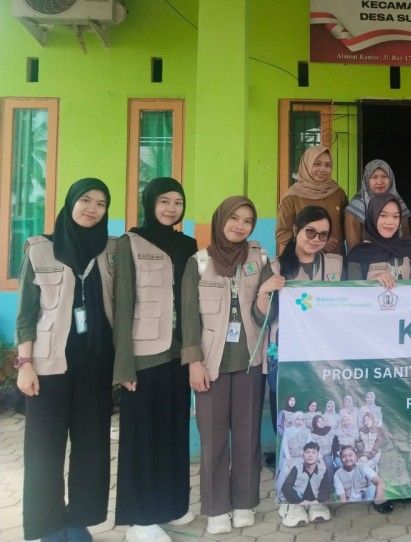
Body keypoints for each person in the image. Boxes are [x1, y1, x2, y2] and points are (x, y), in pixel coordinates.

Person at [16, 179, 117, 542]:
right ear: (71, 202)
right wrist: (24, 363)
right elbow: (26, 313)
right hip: (48, 366)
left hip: (96, 365)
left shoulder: (111, 250)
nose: (92, 209)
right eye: (85, 200)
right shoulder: (40, 249)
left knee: (92, 447)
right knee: (44, 449)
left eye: (101, 204)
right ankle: (49, 526)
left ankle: (78, 521)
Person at [180, 196, 285, 534]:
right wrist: (194, 362)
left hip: (250, 362)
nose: (240, 226)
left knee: (247, 435)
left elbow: (267, 315)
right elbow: (189, 319)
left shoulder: (260, 259)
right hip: (211, 365)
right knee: (213, 441)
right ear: (220, 219)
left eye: (248, 221)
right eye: (234, 218)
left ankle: (244, 502)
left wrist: (264, 293)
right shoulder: (198, 263)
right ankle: (215, 508)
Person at [113, 178, 199, 542]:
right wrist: (123, 364)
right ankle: (139, 520)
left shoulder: (188, 245)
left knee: (173, 432)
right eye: (164, 201)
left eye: (177, 202)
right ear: (149, 203)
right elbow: (121, 305)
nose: (170, 208)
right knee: (142, 436)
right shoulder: (130, 243)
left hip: (178, 353)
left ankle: (171, 505)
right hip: (144, 354)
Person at [261, 205, 343, 479]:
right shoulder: (275, 267)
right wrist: (264, 292)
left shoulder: (335, 264)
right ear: (296, 230)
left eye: (323, 234)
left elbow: (352, 302)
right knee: (288, 419)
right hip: (285, 357)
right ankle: (289, 482)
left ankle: (318, 480)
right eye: (310, 231)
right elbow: (262, 316)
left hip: (322, 357)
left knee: (319, 418)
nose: (316, 239)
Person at [275, 145, 347, 255]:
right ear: (307, 165)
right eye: (317, 164)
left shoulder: (337, 193)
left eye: (327, 165)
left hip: (336, 259)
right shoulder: (293, 196)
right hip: (303, 260)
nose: (322, 169)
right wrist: (319, 241)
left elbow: (347, 227)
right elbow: (282, 234)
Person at [345, 194, 411, 287]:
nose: (390, 222)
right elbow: (352, 291)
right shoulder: (358, 254)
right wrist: (372, 282)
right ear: (372, 216)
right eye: (383, 215)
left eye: (395, 216)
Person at [344, 160, 411, 251]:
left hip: (397, 256)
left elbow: (406, 238)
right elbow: (353, 247)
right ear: (367, 179)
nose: (379, 181)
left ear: (391, 179)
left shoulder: (398, 203)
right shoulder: (356, 207)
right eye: (374, 177)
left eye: (384, 176)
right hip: (367, 257)